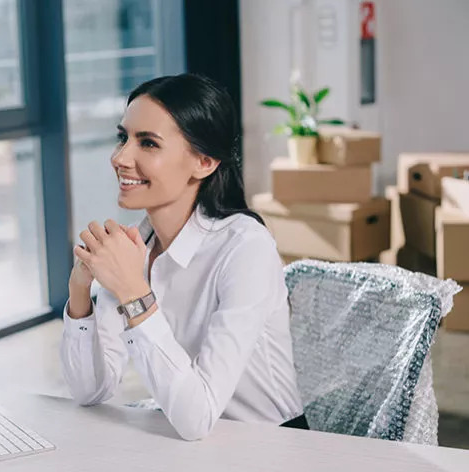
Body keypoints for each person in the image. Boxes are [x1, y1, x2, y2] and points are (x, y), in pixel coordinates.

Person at [59, 73, 306, 441]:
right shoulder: (136, 245)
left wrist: (133, 292)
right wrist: (81, 288)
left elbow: (197, 417)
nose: (120, 157)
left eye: (148, 143)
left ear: (204, 162)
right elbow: (90, 391)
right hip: (185, 442)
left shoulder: (246, 248)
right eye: (122, 138)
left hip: (273, 447)